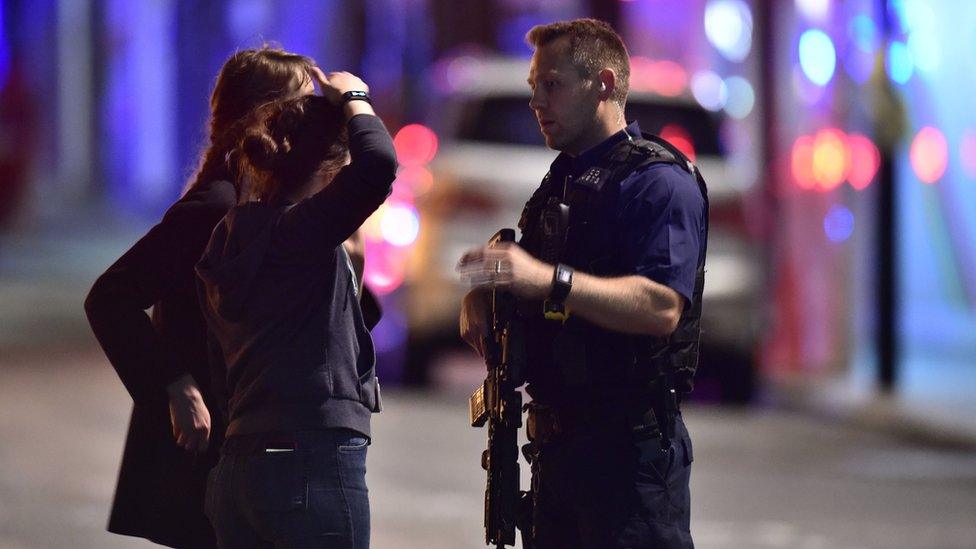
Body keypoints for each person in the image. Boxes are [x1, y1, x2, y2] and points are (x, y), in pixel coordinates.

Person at [458, 19, 707, 548]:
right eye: (533, 88)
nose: (536, 102)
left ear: (605, 84)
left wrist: (551, 281)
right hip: (558, 456)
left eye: (552, 85)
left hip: (628, 463)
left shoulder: (658, 183)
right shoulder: (563, 181)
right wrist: (485, 293)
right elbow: (528, 275)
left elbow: (661, 306)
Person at [84, 46, 328, 548]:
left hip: (244, 451)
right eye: (303, 105)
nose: (314, 121)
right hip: (203, 451)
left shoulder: (272, 206)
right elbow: (111, 296)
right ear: (264, 116)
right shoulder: (215, 206)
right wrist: (175, 385)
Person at [195, 68, 395, 549]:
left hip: (240, 467)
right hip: (310, 464)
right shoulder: (297, 235)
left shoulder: (229, 238)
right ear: (330, 171)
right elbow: (379, 166)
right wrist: (355, 95)